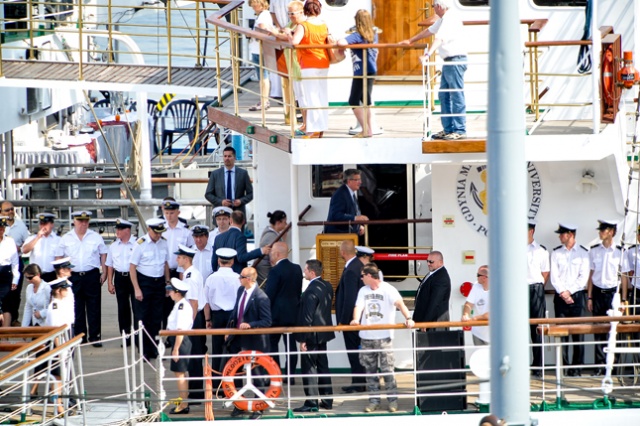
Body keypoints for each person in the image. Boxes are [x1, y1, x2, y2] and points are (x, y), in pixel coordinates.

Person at [350, 263, 414, 413]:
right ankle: (374, 401)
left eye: (362, 276)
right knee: (370, 371)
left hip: (384, 337)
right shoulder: (363, 291)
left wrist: (408, 318)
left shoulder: (388, 289)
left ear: (369, 276)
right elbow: (358, 307)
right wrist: (356, 319)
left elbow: (400, 303)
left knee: (387, 371)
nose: (361, 279)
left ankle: (393, 401)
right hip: (367, 338)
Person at [399, 0, 467, 140]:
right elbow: (429, 31)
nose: (433, 9)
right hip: (449, 61)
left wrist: (427, 55)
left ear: (440, 6)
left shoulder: (449, 19)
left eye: (433, 6)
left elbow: (439, 39)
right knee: (444, 96)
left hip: (455, 60)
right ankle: (448, 129)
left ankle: (460, 130)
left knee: (456, 95)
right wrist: (411, 41)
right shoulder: (443, 20)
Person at [55, 210, 107, 346]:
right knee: (76, 306)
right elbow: (58, 256)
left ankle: (95, 336)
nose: (83, 224)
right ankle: (80, 335)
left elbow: (103, 254)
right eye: (80, 221)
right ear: (74, 221)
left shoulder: (95, 237)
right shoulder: (66, 238)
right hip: (74, 276)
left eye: (86, 221)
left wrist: (104, 272)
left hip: (91, 274)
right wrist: (61, 275)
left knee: (94, 306)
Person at [226, 266, 272, 420]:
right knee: (237, 372)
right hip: (238, 339)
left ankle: (259, 407)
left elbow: (267, 321)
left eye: (241, 276)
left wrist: (250, 324)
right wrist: (228, 329)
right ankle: (240, 404)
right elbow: (235, 312)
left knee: (257, 375)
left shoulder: (261, 297)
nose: (239, 279)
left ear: (250, 279)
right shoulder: (241, 291)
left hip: (255, 342)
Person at [293, 259, 334, 412]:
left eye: (305, 270)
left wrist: (303, 339)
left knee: (309, 367)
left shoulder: (311, 290)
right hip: (323, 334)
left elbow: (307, 317)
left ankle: (311, 402)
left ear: (312, 272)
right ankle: (327, 399)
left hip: (311, 336)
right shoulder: (327, 286)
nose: (304, 272)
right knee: (323, 366)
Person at [550, 223, 590, 377]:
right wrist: (563, 293)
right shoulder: (556, 253)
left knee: (578, 334)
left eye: (562, 234)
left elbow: (583, 277)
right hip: (560, 298)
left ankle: (577, 368)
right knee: (562, 334)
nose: (560, 236)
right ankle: (564, 368)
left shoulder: (583, 253)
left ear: (571, 235)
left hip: (577, 296)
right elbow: (554, 277)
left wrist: (570, 292)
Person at [287, 0, 330, 139]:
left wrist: (289, 33)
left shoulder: (303, 25)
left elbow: (294, 42)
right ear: (319, 9)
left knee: (311, 97)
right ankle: (321, 127)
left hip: (308, 63)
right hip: (323, 63)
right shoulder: (324, 25)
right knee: (321, 96)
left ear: (305, 10)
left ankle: (313, 130)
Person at [129, 218, 171, 360]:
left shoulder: (164, 243)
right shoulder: (140, 244)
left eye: (160, 233)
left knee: (157, 317)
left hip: (158, 282)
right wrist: (136, 288)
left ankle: (155, 348)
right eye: (156, 233)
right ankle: (143, 350)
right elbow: (132, 267)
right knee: (142, 318)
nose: (158, 236)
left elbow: (165, 264)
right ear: (149, 229)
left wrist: (167, 283)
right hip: (144, 282)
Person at [587, 220, 623, 376]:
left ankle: (614, 366)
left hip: (613, 294)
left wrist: (622, 298)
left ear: (611, 232)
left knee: (615, 330)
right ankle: (599, 366)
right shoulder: (594, 251)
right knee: (598, 330)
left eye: (603, 230)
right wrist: (589, 297)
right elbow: (591, 276)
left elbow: (625, 278)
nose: (600, 233)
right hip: (597, 293)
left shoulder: (620, 252)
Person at [264, 241, 302, 382]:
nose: (270, 254)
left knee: (273, 345)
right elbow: (298, 292)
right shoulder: (297, 269)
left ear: (278, 254)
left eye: (272, 252)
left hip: (276, 316)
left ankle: (276, 375)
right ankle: (290, 375)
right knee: (291, 347)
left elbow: (269, 295)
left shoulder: (275, 271)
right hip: (293, 314)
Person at [337, 9, 379, 138]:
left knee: (353, 100)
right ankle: (370, 129)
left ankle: (366, 129)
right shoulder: (373, 34)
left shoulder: (358, 35)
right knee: (366, 100)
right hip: (371, 69)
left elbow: (341, 42)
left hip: (361, 71)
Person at [204, 248, 240, 385]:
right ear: (232, 262)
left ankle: (216, 384)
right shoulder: (238, 278)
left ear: (219, 261)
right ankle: (233, 383)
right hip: (233, 316)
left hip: (217, 316)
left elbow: (206, 302)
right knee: (234, 350)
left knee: (217, 349)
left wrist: (208, 320)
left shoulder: (211, 279)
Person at [174, 244, 206, 403]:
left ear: (186, 259)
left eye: (179, 257)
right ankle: (196, 391)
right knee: (194, 356)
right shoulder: (191, 273)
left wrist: (189, 325)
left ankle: (196, 393)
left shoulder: (190, 276)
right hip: (195, 317)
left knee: (194, 356)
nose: (176, 259)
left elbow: (193, 302)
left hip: (194, 318)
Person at [334, 239, 366, 392]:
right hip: (357, 319)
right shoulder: (357, 266)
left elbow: (350, 298)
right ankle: (360, 382)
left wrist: (342, 321)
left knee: (354, 352)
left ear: (343, 252)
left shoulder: (352, 269)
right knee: (357, 352)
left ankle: (358, 383)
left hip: (351, 321)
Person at [44, 277, 76, 415]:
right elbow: (56, 331)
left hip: (65, 338)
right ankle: (59, 406)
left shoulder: (60, 303)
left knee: (62, 375)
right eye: (64, 289)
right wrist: (60, 349)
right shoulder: (55, 306)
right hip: (59, 343)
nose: (67, 291)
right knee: (58, 377)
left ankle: (62, 403)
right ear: (58, 290)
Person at [162, 200, 195, 328]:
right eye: (167, 213)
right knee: (165, 305)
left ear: (178, 212)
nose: (169, 216)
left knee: (180, 303)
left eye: (172, 213)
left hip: (179, 270)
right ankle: (168, 333)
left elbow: (191, 252)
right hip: (165, 271)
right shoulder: (161, 229)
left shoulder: (185, 231)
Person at [165, 277, 194, 415]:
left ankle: (184, 405)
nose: (169, 293)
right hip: (178, 340)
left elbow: (180, 330)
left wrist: (176, 349)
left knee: (180, 374)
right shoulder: (180, 304)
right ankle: (183, 401)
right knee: (180, 374)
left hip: (180, 342)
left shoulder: (182, 306)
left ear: (177, 292)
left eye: (170, 290)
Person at [106, 219, 136, 345]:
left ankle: (139, 335)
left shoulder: (136, 244)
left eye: (120, 229)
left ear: (127, 230)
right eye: (116, 229)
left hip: (134, 277)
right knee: (123, 308)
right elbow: (110, 265)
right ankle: (126, 335)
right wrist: (109, 282)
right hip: (120, 277)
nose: (117, 232)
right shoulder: (113, 246)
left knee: (137, 307)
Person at [527, 220, 549, 377]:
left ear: (531, 231)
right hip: (518, 291)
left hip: (536, 289)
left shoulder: (542, 251)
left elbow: (545, 274)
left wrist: (537, 287)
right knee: (517, 329)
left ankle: (538, 366)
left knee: (537, 330)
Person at [204, 146, 254, 217]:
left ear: (234, 158)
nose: (227, 158)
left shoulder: (243, 174)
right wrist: (221, 202)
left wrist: (241, 201)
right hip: (221, 214)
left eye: (229, 156)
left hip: (238, 214)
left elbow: (251, 193)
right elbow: (208, 194)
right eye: (225, 156)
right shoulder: (215, 174)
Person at [2, 201, 29, 326]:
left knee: (14, 294)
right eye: (7, 210)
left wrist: (20, 248)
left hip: (14, 262)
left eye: (12, 209)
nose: (10, 212)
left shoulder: (21, 226)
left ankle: (13, 320)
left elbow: (27, 241)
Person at [413, 250, 451, 328]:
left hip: (434, 323)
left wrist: (426, 322)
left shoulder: (441, 278)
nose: (428, 264)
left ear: (440, 262)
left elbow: (435, 302)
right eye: (427, 261)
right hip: (426, 321)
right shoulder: (433, 273)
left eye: (431, 262)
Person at [324, 169, 369, 235]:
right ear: (349, 181)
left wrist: (358, 226)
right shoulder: (340, 194)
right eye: (357, 180)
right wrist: (355, 218)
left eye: (360, 179)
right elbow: (336, 215)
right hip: (338, 235)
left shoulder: (351, 193)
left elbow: (353, 212)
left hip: (348, 234)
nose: (360, 182)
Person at [248, 0, 273, 111]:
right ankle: (264, 100)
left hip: (259, 50)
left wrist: (252, 35)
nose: (253, 7)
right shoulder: (265, 15)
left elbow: (262, 32)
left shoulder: (263, 16)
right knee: (262, 76)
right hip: (259, 49)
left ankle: (264, 101)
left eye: (254, 5)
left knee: (263, 76)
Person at [23, 212, 60, 282]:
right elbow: (24, 250)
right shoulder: (33, 238)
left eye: (45, 224)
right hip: (36, 275)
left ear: (52, 224)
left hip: (52, 275)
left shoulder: (58, 240)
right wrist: (37, 237)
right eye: (41, 224)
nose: (43, 226)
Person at [256, 210, 288, 283]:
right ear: (278, 222)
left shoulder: (271, 233)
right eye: (284, 222)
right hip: (265, 269)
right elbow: (274, 256)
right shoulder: (271, 236)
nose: (286, 224)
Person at [462, 265, 490, 345]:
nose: (476, 277)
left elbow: (493, 314)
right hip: (477, 333)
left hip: (493, 335)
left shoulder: (498, 289)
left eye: (478, 275)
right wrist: (465, 314)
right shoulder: (476, 286)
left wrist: (474, 319)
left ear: (484, 277)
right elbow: (468, 304)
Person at [0, 216, 19, 327]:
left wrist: (15, 279)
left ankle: (5, 336)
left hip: (6, 272)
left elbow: (15, 262)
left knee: (7, 305)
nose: (1, 230)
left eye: (3, 228)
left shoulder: (10, 241)